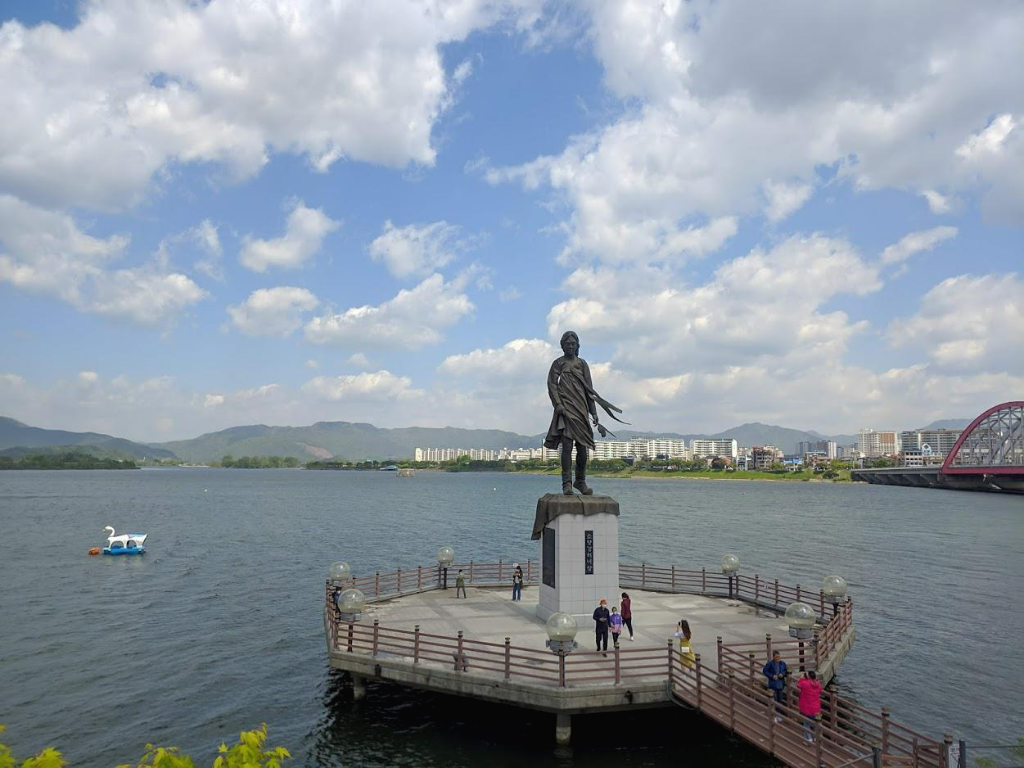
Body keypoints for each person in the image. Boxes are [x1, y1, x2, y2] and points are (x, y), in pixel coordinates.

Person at [543, 331, 627, 495]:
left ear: (577, 346)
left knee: (583, 447)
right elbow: (552, 385)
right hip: (566, 409)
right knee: (567, 446)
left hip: (581, 409)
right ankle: (566, 483)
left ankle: (580, 481)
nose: (571, 346)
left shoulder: (582, 364)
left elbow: (589, 390)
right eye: (568, 344)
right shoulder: (558, 363)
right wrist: (558, 403)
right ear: (562, 346)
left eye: (573, 344)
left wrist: (593, 411)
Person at [797, 670, 822, 743]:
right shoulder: (818, 684)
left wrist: (801, 678)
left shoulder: (805, 683)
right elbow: (819, 689)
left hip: (807, 707)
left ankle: (808, 738)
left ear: (807, 677)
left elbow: (798, 685)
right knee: (815, 723)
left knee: (806, 723)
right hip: (816, 707)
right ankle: (816, 738)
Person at [762, 650, 788, 722]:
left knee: (780, 700)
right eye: (776, 657)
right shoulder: (770, 664)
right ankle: (773, 715)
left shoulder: (782, 663)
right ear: (773, 657)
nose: (778, 658)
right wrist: (772, 676)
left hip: (780, 684)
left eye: (779, 656)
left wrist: (782, 674)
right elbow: (765, 671)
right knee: (774, 700)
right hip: (773, 685)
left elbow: (786, 671)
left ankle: (778, 715)